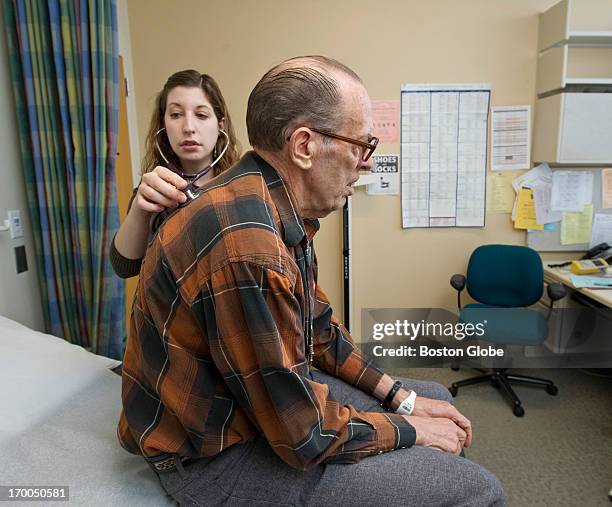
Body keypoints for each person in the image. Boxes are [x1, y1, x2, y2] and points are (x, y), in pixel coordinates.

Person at [118, 56, 506, 506]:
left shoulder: (269, 200)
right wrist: (411, 429)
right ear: (304, 145)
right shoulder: (249, 247)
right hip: (210, 460)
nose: (365, 164)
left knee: (432, 395)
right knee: (479, 491)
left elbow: (319, 332)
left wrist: (402, 400)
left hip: (245, 407)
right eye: (361, 145)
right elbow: (302, 433)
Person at [110, 69, 240, 278]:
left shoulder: (243, 187)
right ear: (163, 124)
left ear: (220, 126)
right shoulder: (151, 192)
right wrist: (140, 209)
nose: (188, 127)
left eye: (201, 115)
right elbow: (125, 268)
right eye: (176, 115)